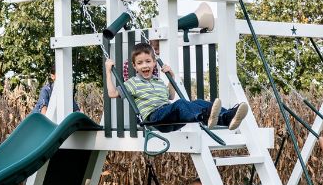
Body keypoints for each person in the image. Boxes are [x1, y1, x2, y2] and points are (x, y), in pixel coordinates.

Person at [105, 43, 249, 132]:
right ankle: (205, 116)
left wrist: (171, 78)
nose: (145, 66)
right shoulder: (133, 83)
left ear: (154, 63)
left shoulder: (158, 81)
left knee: (197, 102)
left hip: (171, 119)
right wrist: (108, 71)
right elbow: (112, 93)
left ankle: (227, 117)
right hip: (155, 118)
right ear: (134, 66)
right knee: (180, 104)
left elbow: (170, 96)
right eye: (140, 63)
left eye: (148, 61)